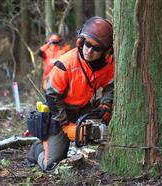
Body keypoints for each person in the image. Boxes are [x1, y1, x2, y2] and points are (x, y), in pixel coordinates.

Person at [26, 17, 114, 171]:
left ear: (105, 50)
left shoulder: (108, 64)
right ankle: (37, 150)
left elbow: (111, 85)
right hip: (59, 113)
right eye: (87, 44)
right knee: (51, 165)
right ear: (81, 42)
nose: (89, 51)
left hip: (84, 107)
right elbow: (52, 97)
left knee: (108, 113)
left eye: (96, 48)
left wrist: (106, 104)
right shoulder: (66, 63)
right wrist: (66, 125)